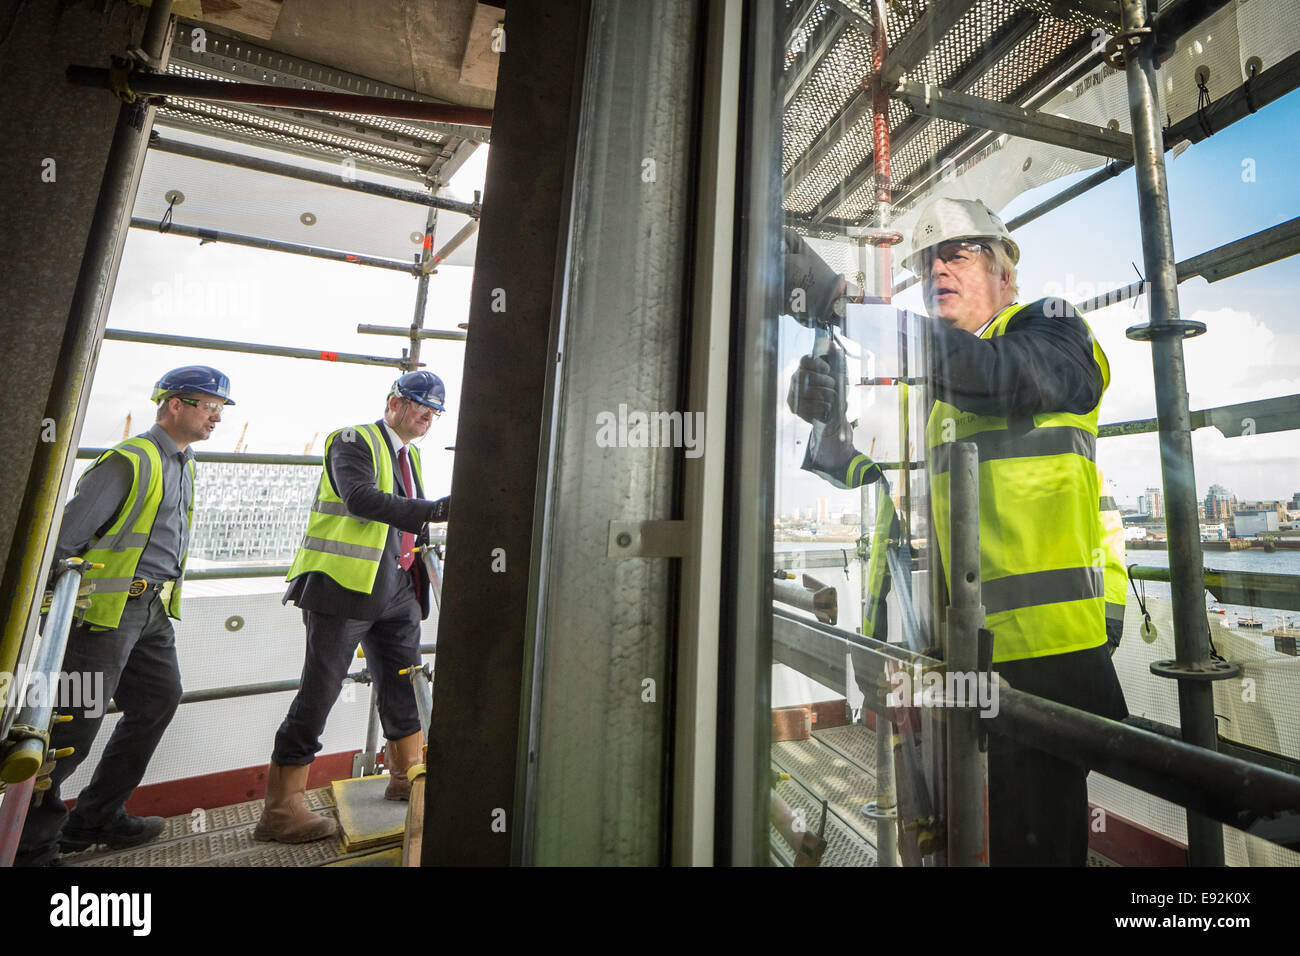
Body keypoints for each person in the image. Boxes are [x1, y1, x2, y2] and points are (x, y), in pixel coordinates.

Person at [787, 197, 1128, 866]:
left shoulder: (1052, 330)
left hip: (1040, 664)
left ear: (1005, 274)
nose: (937, 266)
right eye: (926, 260)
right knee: (944, 840)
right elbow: (851, 463)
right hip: (937, 658)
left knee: (1032, 849)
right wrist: (820, 413)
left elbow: (1001, 379)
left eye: (959, 252)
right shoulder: (922, 385)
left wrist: (844, 305)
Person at [15, 365, 234, 866]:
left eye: (221, 409)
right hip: (99, 613)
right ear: (175, 405)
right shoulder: (130, 460)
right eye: (209, 406)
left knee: (158, 698)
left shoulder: (185, 461)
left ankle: (95, 817)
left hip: (149, 608)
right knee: (70, 728)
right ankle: (31, 847)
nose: (217, 417)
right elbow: (64, 540)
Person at [255, 370, 451, 843]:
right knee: (320, 690)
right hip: (343, 589)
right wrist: (433, 510)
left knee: (404, 681)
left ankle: (406, 776)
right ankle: (281, 809)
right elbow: (360, 498)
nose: (427, 415)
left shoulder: (408, 455)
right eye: (419, 404)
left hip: (397, 587)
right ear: (394, 402)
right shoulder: (352, 440)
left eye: (434, 410)